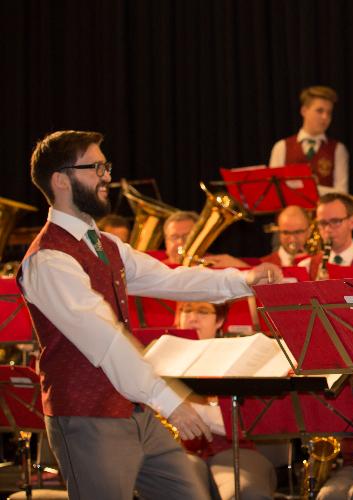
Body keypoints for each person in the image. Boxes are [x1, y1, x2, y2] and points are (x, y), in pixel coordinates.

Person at [18, 130, 283, 499]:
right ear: (61, 180)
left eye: (106, 166)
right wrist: (170, 402)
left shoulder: (104, 243)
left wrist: (244, 280)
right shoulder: (48, 260)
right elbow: (107, 340)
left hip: (133, 409)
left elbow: (170, 279)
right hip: (87, 418)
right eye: (96, 168)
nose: (107, 177)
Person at [175, 301, 278, 500]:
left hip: (235, 450)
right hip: (177, 452)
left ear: (220, 320)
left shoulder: (240, 357)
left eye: (203, 311)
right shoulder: (156, 357)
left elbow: (244, 422)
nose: (192, 318)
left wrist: (181, 407)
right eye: (186, 310)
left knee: (245, 492)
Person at [268, 85, 349, 194]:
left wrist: (309, 186)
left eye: (329, 112)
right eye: (320, 111)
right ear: (304, 111)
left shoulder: (338, 149)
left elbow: (342, 193)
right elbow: (274, 190)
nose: (325, 117)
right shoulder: (281, 147)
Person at [300, 193, 353, 279]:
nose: (327, 229)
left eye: (335, 221)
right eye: (322, 223)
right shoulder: (306, 267)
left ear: (352, 222)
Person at [162, 210, 248, 268]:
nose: (180, 242)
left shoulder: (216, 263)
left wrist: (240, 267)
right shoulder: (157, 269)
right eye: (174, 237)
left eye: (187, 236)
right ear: (166, 242)